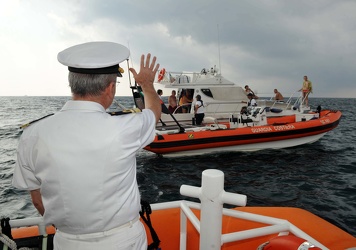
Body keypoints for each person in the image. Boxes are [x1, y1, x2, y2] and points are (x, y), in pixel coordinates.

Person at [12, 41, 161, 250]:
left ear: (72, 84)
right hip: (123, 242)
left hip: (67, 242)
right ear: (110, 88)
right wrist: (146, 84)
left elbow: (37, 201)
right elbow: (153, 113)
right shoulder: (126, 127)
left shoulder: (32, 134)